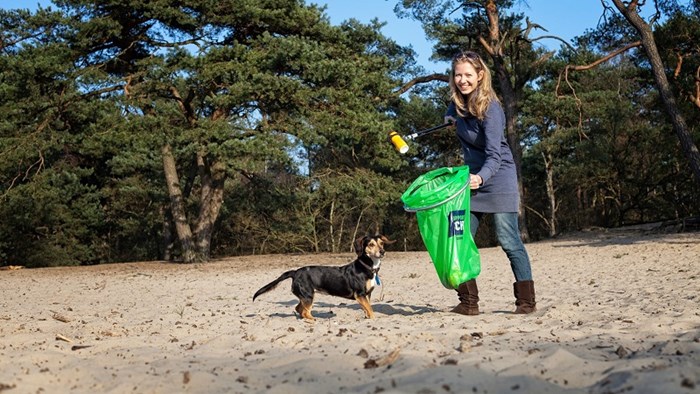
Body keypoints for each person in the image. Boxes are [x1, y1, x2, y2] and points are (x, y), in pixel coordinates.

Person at [443, 50, 536, 315]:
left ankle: (526, 303)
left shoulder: (491, 109)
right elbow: (452, 112)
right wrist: (449, 117)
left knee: (509, 240)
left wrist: (481, 177)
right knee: (458, 240)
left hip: (498, 178)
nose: (462, 80)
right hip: (468, 180)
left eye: (468, 75)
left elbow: (495, 155)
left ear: (480, 75)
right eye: (458, 75)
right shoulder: (457, 103)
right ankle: (468, 302)